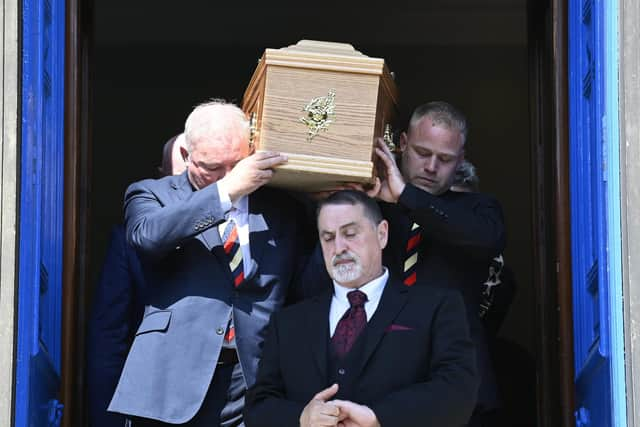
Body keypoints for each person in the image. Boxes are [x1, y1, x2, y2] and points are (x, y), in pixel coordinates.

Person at [108, 100, 315, 426]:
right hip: (171, 379)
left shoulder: (284, 208)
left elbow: (307, 286)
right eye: (213, 168)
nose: (230, 175)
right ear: (187, 156)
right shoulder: (152, 194)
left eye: (238, 163)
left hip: (252, 379)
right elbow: (146, 237)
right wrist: (226, 192)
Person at [244, 190, 479, 427]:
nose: (338, 247)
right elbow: (259, 408)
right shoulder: (288, 322)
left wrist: (379, 418)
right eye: (327, 237)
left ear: (382, 234)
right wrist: (301, 418)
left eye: (350, 234)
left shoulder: (436, 307)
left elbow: (457, 392)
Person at [372, 101, 506, 425]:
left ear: (460, 160)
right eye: (422, 152)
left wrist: (407, 197)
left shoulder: (477, 209)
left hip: (456, 390)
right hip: (380, 386)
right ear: (402, 144)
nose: (431, 167)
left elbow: (486, 239)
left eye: (444, 159)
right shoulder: (373, 206)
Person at [86, 133, 188, 427]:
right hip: (154, 404)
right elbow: (109, 337)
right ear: (161, 178)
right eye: (180, 177)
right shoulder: (128, 243)